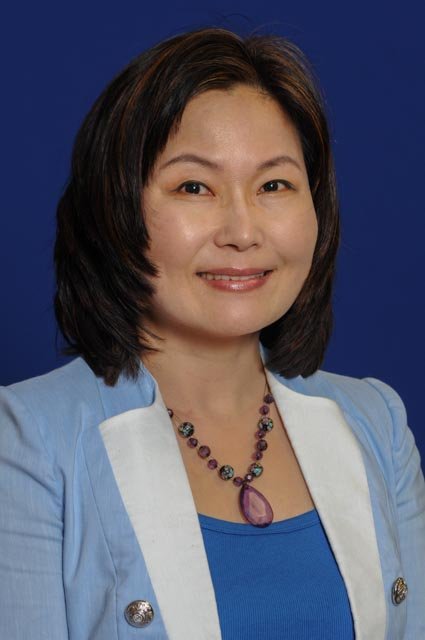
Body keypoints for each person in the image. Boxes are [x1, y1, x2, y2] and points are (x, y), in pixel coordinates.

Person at [0, 25, 424, 640]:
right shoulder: (29, 442)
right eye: (194, 187)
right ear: (113, 208)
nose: (242, 232)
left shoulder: (376, 423)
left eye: (274, 185)